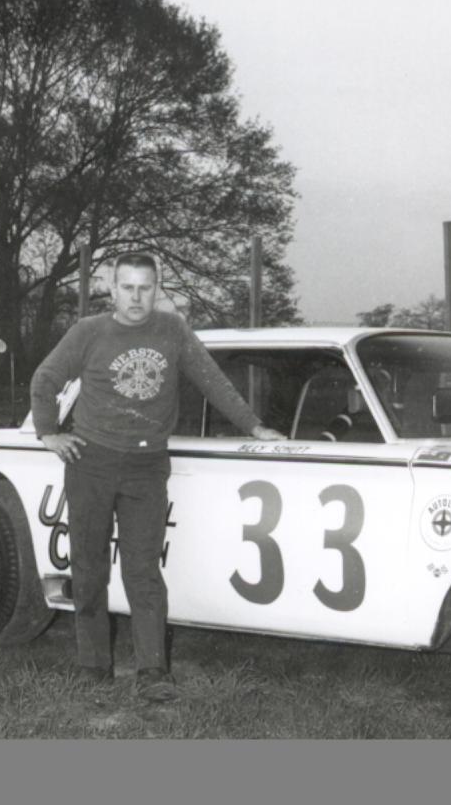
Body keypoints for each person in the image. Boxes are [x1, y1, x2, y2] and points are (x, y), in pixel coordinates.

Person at [30, 252, 284, 705]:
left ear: (157, 288)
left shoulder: (172, 330)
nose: (136, 297)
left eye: (145, 288)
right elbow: (45, 378)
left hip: (147, 467)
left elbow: (214, 382)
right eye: (127, 287)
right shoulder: (88, 331)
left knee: (143, 569)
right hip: (91, 462)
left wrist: (254, 426)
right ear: (111, 288)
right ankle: (94, 666)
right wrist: (49, 432)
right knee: (88, 566)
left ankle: (152, 671)